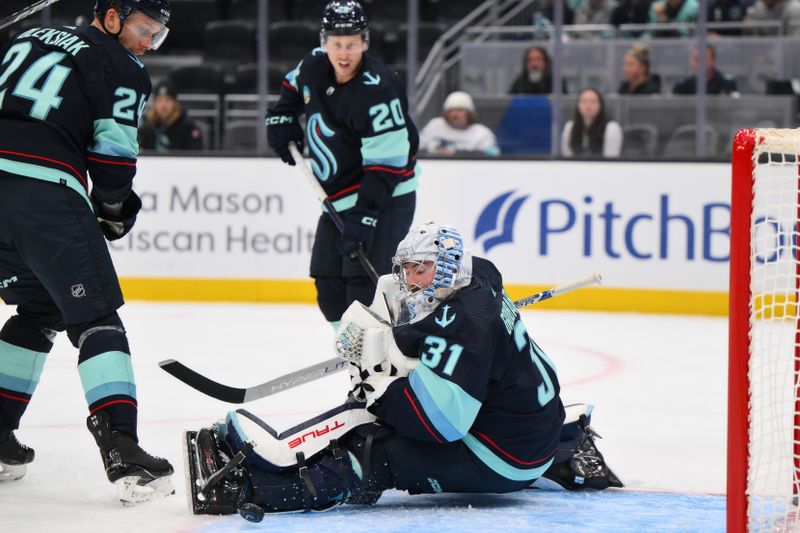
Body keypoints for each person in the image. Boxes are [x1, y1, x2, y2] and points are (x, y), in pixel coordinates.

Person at [183, 222, 622, 519]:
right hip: (532, 431)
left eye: (421, 268)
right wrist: (412, 333)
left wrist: (376, 387)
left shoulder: (466, 327)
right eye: (407, 269)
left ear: (447, 265)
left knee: (373, 442)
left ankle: (253, 485)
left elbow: (441, 424)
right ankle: (567, 448)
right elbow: (450, 323)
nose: (410, 279)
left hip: (503, 456)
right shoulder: (480, 274)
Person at [0, 0, 175, 505]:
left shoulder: (25, 38)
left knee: (40, 309)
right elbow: (113, 159)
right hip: (45, 197)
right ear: (113, 16)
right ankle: (122, 446)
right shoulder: (122, 67)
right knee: (96, 317)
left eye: (157, 36)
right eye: (144, 29)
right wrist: (115, 208)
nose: (148, 43)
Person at [266, 0, 418, 329]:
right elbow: (293, 86)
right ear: (324, 43)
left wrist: (364, 218)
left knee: (363, 289)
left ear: (364, 42)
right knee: (328, 287)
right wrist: (282, 115)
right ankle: (357, 352)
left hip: (386, 196)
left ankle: (382, 359)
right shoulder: (314, 64)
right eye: (336, 44)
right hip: (338, 197)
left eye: (351, 44)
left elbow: (386, 169)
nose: (344, 53)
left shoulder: (380, 90)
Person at [418, 91, 500, 157]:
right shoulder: (435, 126)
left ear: (469, 113)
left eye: (459, 110)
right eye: (450, 110)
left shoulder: (482, 132)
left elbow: (494, 153)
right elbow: (415, 147)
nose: (454, 114)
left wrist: (456, 153)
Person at [139, 81, 204, 151]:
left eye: (168, 100)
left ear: (175, 103)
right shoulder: (146, 129)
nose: (163, 105)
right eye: (159, 100)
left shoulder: (188, 129)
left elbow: (195, 157)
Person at [561, 88, 623, 157]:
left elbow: (611, 158)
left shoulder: (611, 128)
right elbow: (567, 156)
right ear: (578, 105)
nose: (588, 106)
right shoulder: (570, 126)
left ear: (600, 105)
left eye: (593, 102)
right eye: (584, 101)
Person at [672, 44, 738, 95]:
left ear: (713, 61)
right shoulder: (682, 86)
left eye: (704, 59)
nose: (699, 64)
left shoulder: (727, 83)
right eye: (695, 60)